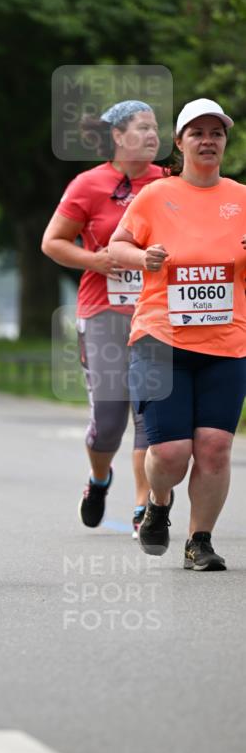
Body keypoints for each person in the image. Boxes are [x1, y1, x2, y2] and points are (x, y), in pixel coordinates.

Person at [109, 98, 246, 570]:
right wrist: (141, 258)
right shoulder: (154, 196)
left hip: (227, 342)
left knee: (215, 446)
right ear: (180, 142)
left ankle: (199, 541)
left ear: (225, 142)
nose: (208, 141)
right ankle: (157, 503)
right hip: (160, 339)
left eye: (217, 133)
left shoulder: (242, 198)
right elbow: (117, 246)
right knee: (169, 452)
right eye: (198, 133)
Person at [42, 100, 164, 536]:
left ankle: (141, 506)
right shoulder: (89, 185)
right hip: (102, 313)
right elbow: (52, 242)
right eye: (143, 128)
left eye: (156, 128)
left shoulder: (167, 183)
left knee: (149, 414)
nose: (153, 135)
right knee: (110, 419)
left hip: (155, 314)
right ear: (117, 135)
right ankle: (98, 480)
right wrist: (95, 261)